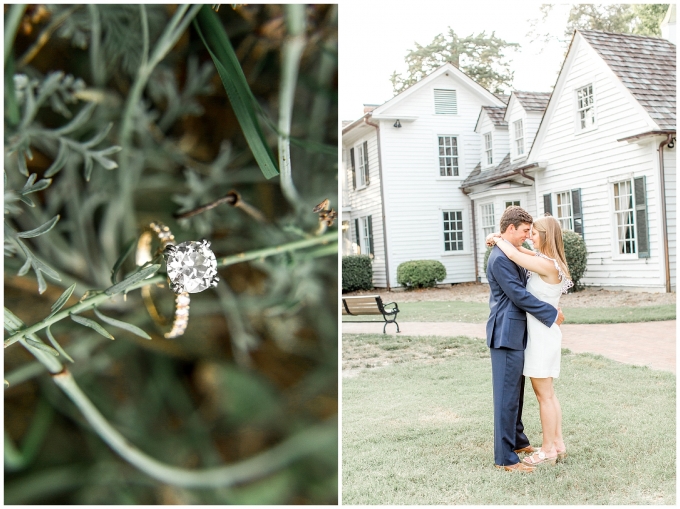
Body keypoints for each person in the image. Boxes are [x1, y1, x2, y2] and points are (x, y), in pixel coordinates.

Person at [487, 212, 573, 468]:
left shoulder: (537, 260)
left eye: (532, 232)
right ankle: (507, 456)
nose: (528, 236)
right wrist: (498, 238)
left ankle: (544, 445)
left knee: (532, 394)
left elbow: (518, 255)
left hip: (535, 335)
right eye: (526, 230)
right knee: (512, 395)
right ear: (511, 228)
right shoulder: (504, 257)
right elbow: (517, 294)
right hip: (508, 332)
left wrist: (499, 238)